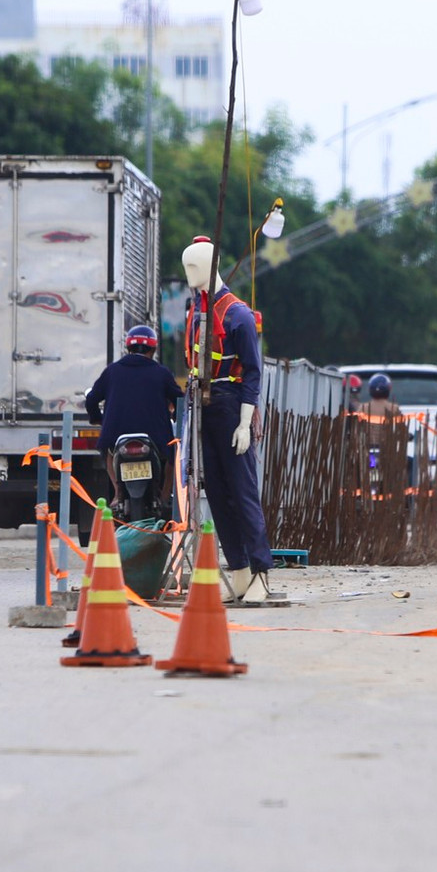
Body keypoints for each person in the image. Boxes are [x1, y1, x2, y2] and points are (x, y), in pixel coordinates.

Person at [181, 235, 272, 602]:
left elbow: (252, 372)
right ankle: (238, 571)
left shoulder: (238, 314)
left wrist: (244, 422)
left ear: (207, 266)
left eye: (193, 267)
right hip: (202, 406)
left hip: (231, 403)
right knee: (216, 493)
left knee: (243, 492)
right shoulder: (196, 311)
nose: (188, 275)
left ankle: (261, 573)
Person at [85, 324, 182, 513]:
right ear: (153, 349)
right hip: (156, 436)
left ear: (128, 348)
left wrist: (98, 419)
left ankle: (116, 492)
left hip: (117, 433)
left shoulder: (112, 371)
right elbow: (180, 400)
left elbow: (91, 399)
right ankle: (164, 496)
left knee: (107, 451)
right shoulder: (162, 373)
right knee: (172, 456)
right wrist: (175, 416)